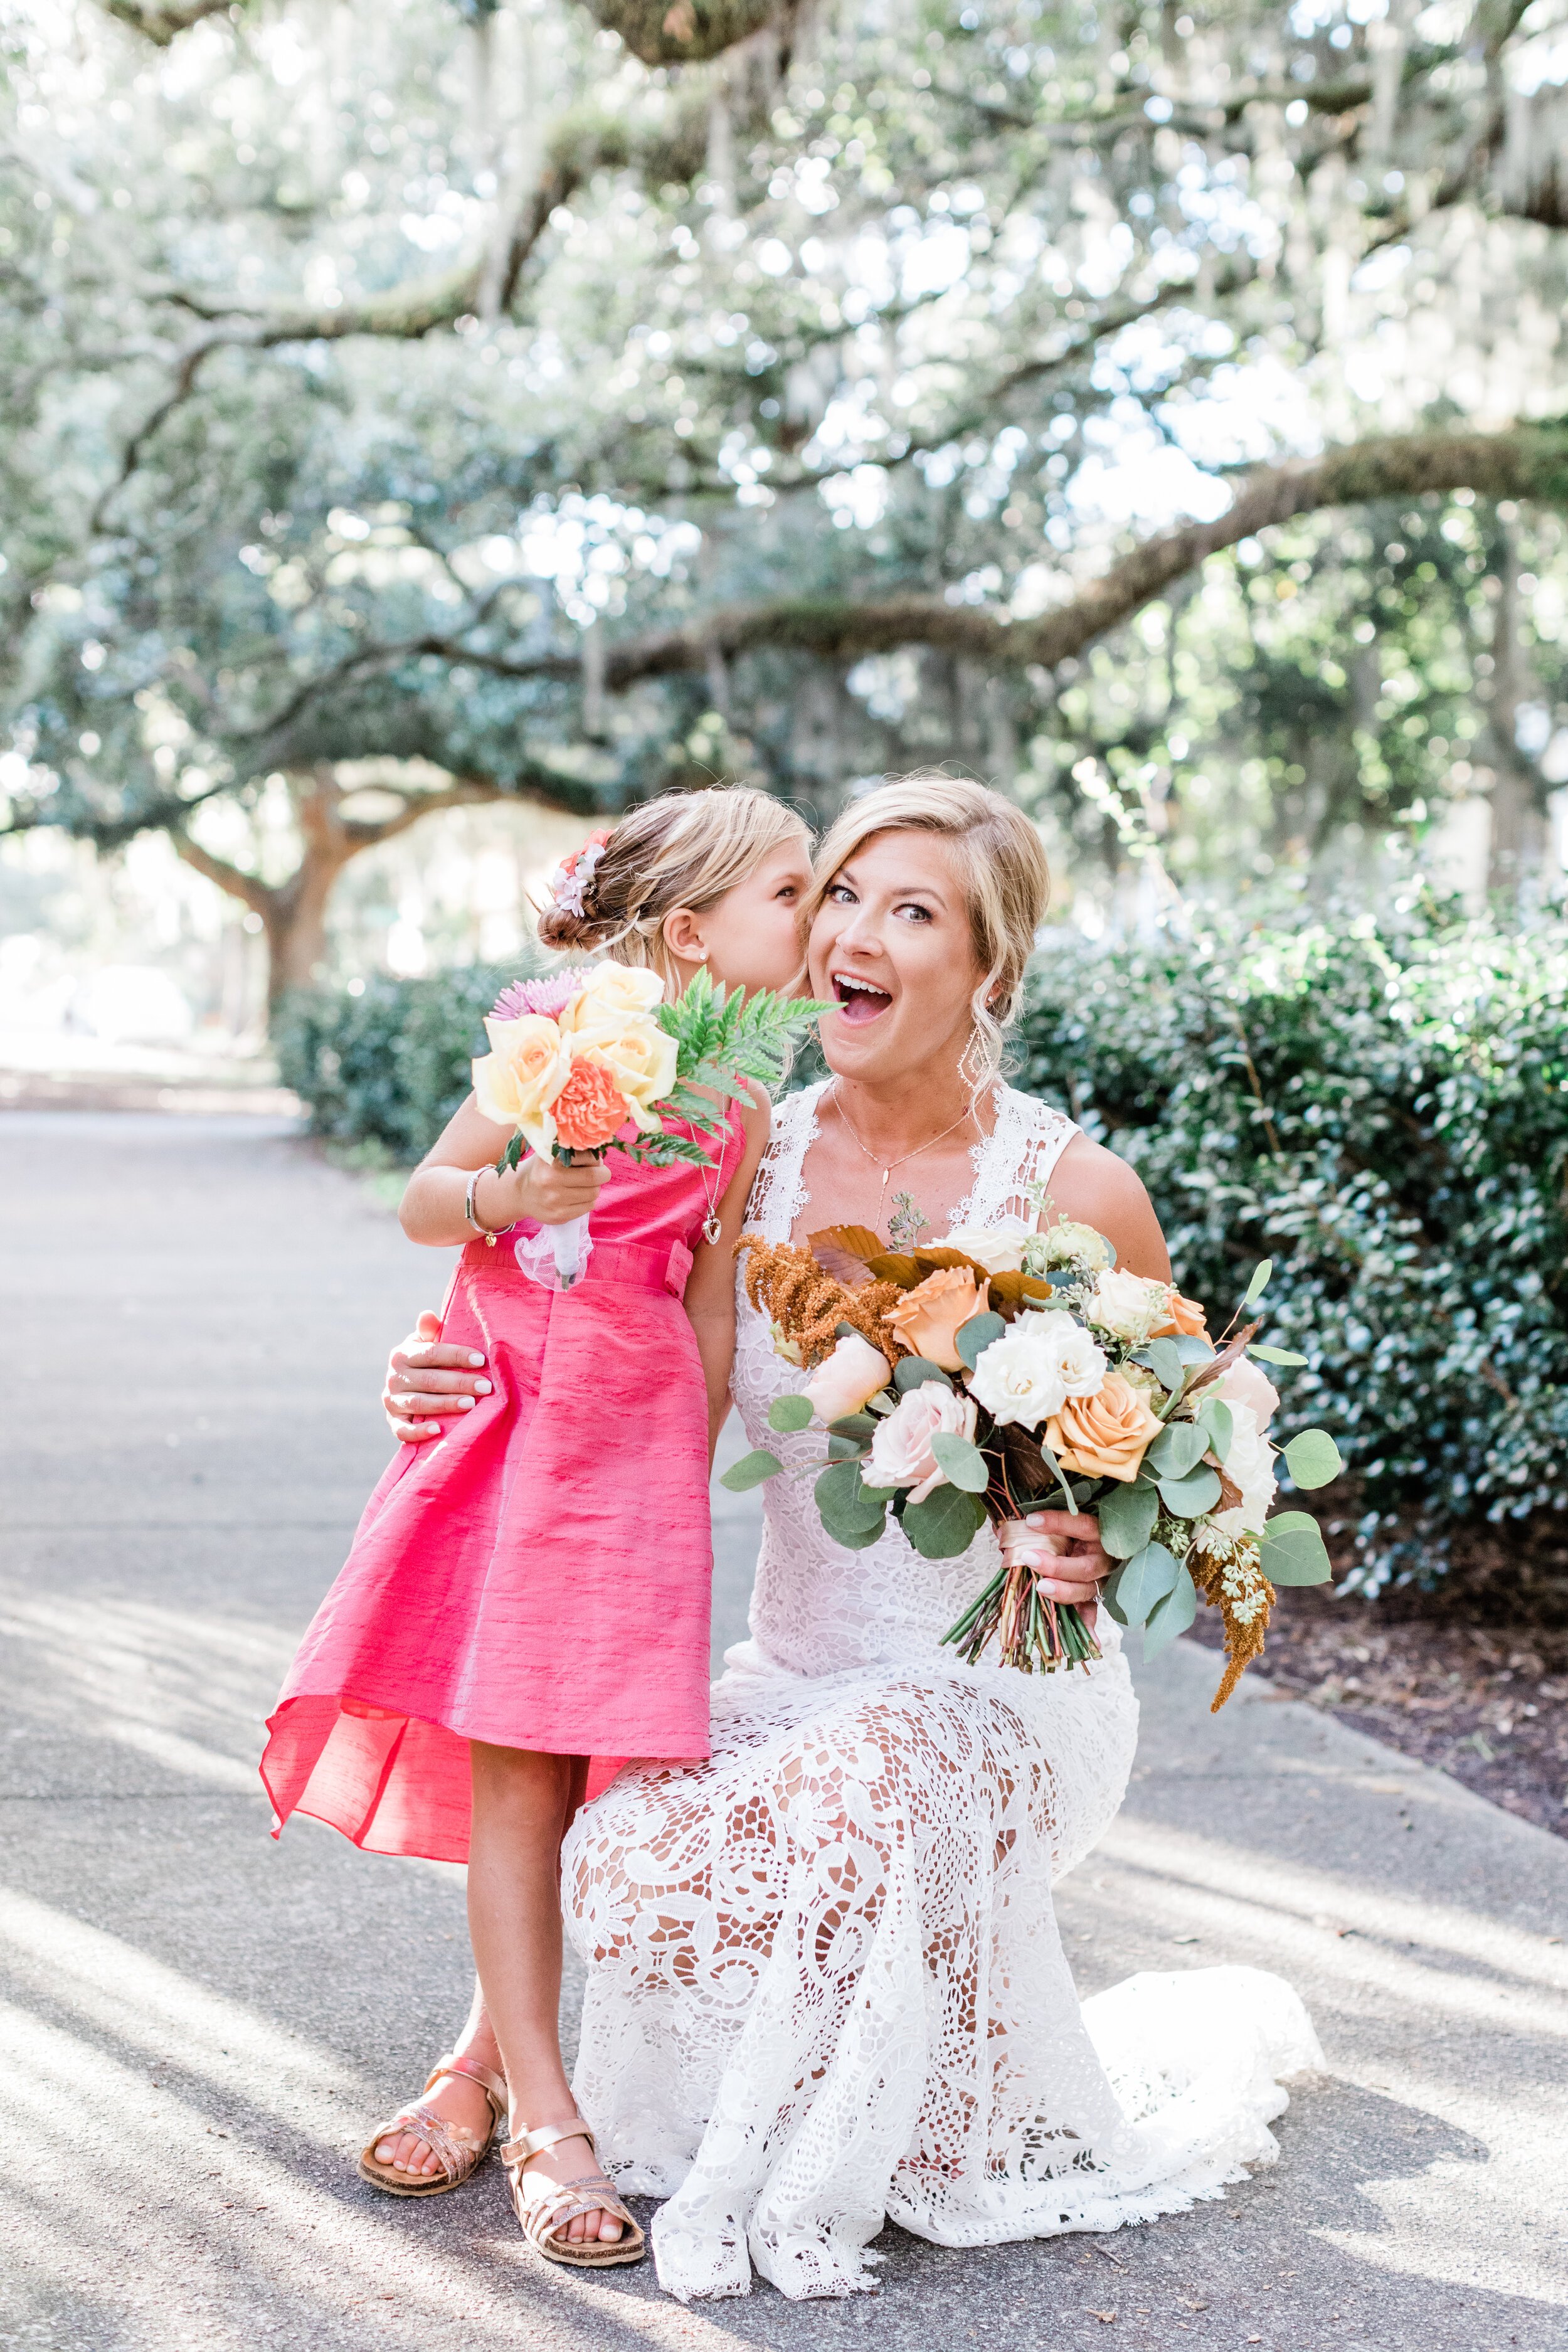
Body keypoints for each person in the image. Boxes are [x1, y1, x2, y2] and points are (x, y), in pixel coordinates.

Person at [381, 774, 1320, 2301]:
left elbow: (1209, 1444)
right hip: (792, 1677)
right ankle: (508, 2070)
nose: (851, 934)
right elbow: (605, 1325)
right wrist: (444, 1377)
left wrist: (1095, 1539)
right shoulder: (738, 1138)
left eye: (912, 910)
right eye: (837, 896)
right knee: (622, 1854)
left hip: (997, 1699)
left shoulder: (1071, 1188)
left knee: (875, 1780)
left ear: (988, 971)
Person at [260, 786, 815, 2267]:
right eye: (790, 890)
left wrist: (684, 1483)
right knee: (517, 1766)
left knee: (570, 1773)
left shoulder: (743, 1099)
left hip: (632, 1450)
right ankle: (546, 2126)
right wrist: (513, 1188)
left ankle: (476, 2063)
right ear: (691, 928)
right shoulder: (563, 1032)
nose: (812, 917)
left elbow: (705, 1295)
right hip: (516, 1426)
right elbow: (430, 1202)